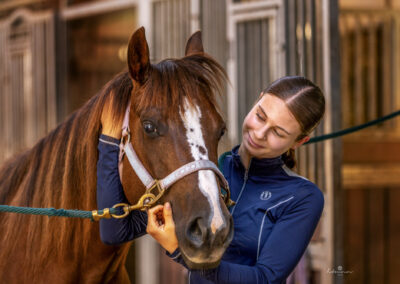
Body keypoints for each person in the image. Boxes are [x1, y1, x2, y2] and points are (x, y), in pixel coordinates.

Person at [97, 76, 326, 283]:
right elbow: (115, 231)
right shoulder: (208, 173)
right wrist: (109, 141)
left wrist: (180, 252)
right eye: (260, 116)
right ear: (257, 101)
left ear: (299, 141)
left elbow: (264, 278)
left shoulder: (302, 197)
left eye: (278, 132)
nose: (259, 133)